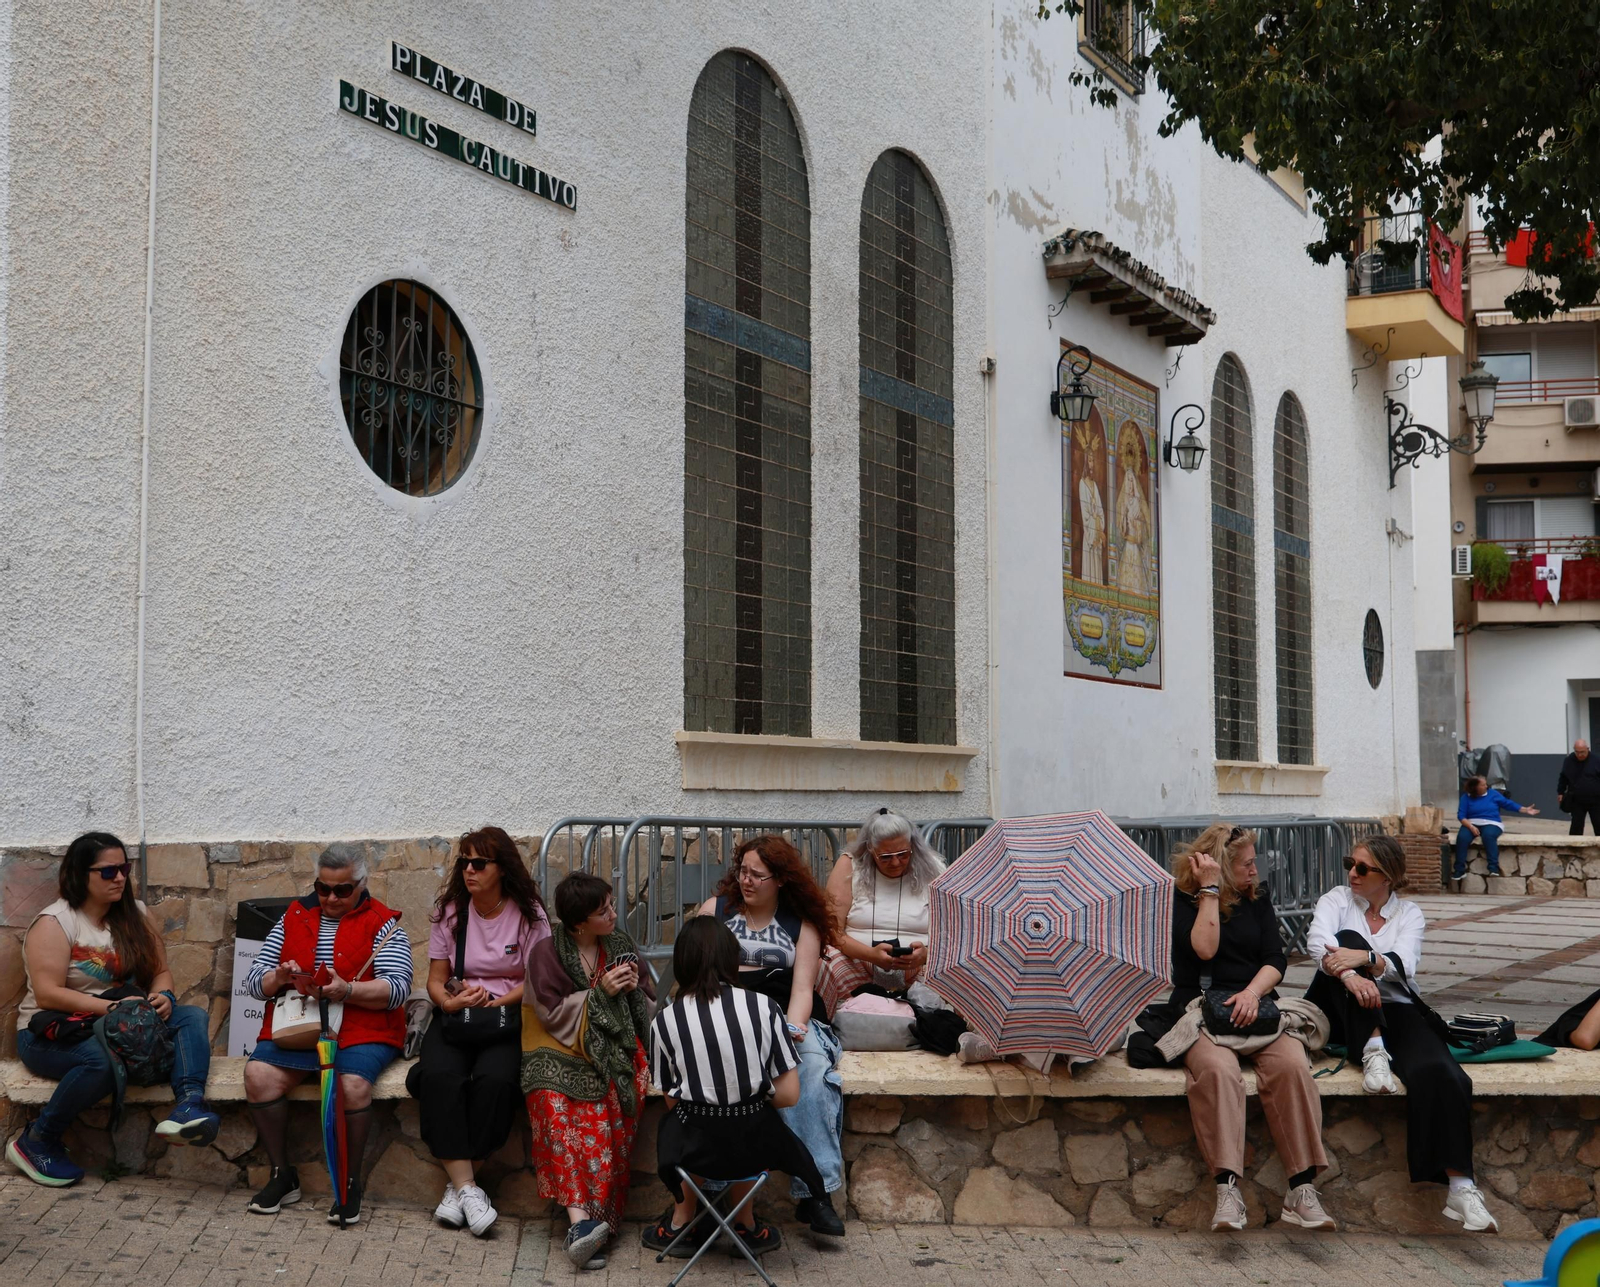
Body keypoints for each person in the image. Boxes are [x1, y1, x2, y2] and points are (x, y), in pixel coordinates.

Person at [1305, 834, 1496, 1233]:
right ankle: (1374, 1048)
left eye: (1363, 868)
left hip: (1395, 1005)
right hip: (1337, 1004)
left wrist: (1366, 961)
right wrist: (1353, 971)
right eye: (1350, 863)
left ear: (1388, 876)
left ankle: (1461, 1185)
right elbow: (1318, 947)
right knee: (1349, 941)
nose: (1352, 873)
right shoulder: (1336, 900)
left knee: (1442, 1072)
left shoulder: (1409, 913)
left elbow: (1404, 965)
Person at [10, 832, 221, 1187]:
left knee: (192, 1017)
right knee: (103, 1061)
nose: (121, 877)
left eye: (124, 868)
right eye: (108, 872)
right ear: (80, 874)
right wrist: (110, 1007)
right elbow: (47, 995)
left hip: (122, 1023)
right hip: (51, 1032)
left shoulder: (135, 914)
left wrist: (163, 997)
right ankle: (37, 1140)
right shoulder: (56, 922)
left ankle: (189, 1106)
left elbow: (161, 972)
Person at [1168, 824, 1334, 1233]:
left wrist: (1251, 994)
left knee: (1293, 1066)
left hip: (1255, 1006)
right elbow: (1204, 950)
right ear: (1220, 868)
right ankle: (1227, 1190)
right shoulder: (1182, 900)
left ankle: (1301, 1189)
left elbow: (1274, 959)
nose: (1255, 871)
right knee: (1220, 1071)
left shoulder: (1257, 899)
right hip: (1201, 1009)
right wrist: (1209, 891)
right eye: (1246, 864)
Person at [641, 917, 830, 1259]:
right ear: (732, 959)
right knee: (752, 1113)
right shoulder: (764, 1008)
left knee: (686, 1118)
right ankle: (744, 1222)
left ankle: (683, 1221)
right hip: (755, 1147)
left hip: (694, 1149)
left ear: (682, 961)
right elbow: (789, 1096)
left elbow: (672, 1100)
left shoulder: (665, 1022)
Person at [243, 845, 413, 1224]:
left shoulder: (383, 921)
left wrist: (347, 990)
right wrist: (280, 977)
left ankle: (349, 1184)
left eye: (343, 890)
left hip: (362, 1028)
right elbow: (255, 982)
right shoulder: (294, 915)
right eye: (324, 888)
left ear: (362, 885)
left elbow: (398, 987)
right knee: (258, 1076)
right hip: (302, 1026)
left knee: (352, 1086)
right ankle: (282, 1175)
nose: (332, 898)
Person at [699, 835, 847, 1236]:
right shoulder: (715, 912)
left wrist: (793, 1031)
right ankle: (712, 1189)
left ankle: (815, 1191)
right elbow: (696, 975)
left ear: (780, 880)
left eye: (758, 875)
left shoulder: (801, 924)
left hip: (786, 1017)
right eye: (742, 871)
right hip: (727, 1017)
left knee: (812, 1070)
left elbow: (802, 991)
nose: (746, 881)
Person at [416, 827, 550, 1237]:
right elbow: (435, 980)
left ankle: (458, 1188)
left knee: (495, 1082)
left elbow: (537, 980)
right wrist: (448, 1002)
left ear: (502, 869)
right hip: (457, 1017)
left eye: (479, 863)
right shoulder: (452, 912)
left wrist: (497, 1001)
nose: (469, 870)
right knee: (438, 1077)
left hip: (506, 1015)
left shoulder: (529, 915)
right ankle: (470, 1190)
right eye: (464, 863)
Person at [523, 871, 652, 1270]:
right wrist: (601, 993)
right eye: (604, 911)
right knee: (553, 1103)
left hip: (613, 1050)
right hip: (553, 1046)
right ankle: (583, 1224)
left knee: (606, 1105)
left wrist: (632, 992)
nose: (614, 914)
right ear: (579, 922)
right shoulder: (546, 953)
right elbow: (550, 1015)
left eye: (612, 905)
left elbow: (648, 1004)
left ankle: (588, 1229)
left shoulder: (620, 945)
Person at [818, 808, 944, 1016]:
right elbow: (832, 931)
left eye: (903, 854)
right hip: (858, 961)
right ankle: (828, 1024)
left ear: (912, 846)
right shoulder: (850, 865)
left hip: (917, 966)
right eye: (885, 857)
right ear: (870, 850)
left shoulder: (934, 868)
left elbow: (951, 934)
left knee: (958, 968)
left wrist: (926, 955)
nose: (895, 863)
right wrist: (870, 955)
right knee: (823, 960)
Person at [1454, 775, 1538, 878]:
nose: (1486, 786)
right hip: (1471, 822)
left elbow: (1508, 804)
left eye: (1486, 784)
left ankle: (1493, 868)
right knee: (1462, 837)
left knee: (1488, 836)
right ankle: (1459, 870)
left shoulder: (1493, 794)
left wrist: (1525, 809)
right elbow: (1461, 816)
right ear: (1475, 787)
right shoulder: (1466, 797)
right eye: (1483, 785)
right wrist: (1471, 827)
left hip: (1492, 822)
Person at [1558, 740, 1600, 836]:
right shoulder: (1569, 760)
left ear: (1587, 749)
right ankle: (1574, 849)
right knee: (1576, 826)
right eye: (1577, 752)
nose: (1580, 755)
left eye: (1582, 752)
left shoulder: (1597, 760)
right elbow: (1563, 777)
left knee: (1598, 824)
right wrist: (1560, 792)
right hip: (1577, 800)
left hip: (1596, 800)